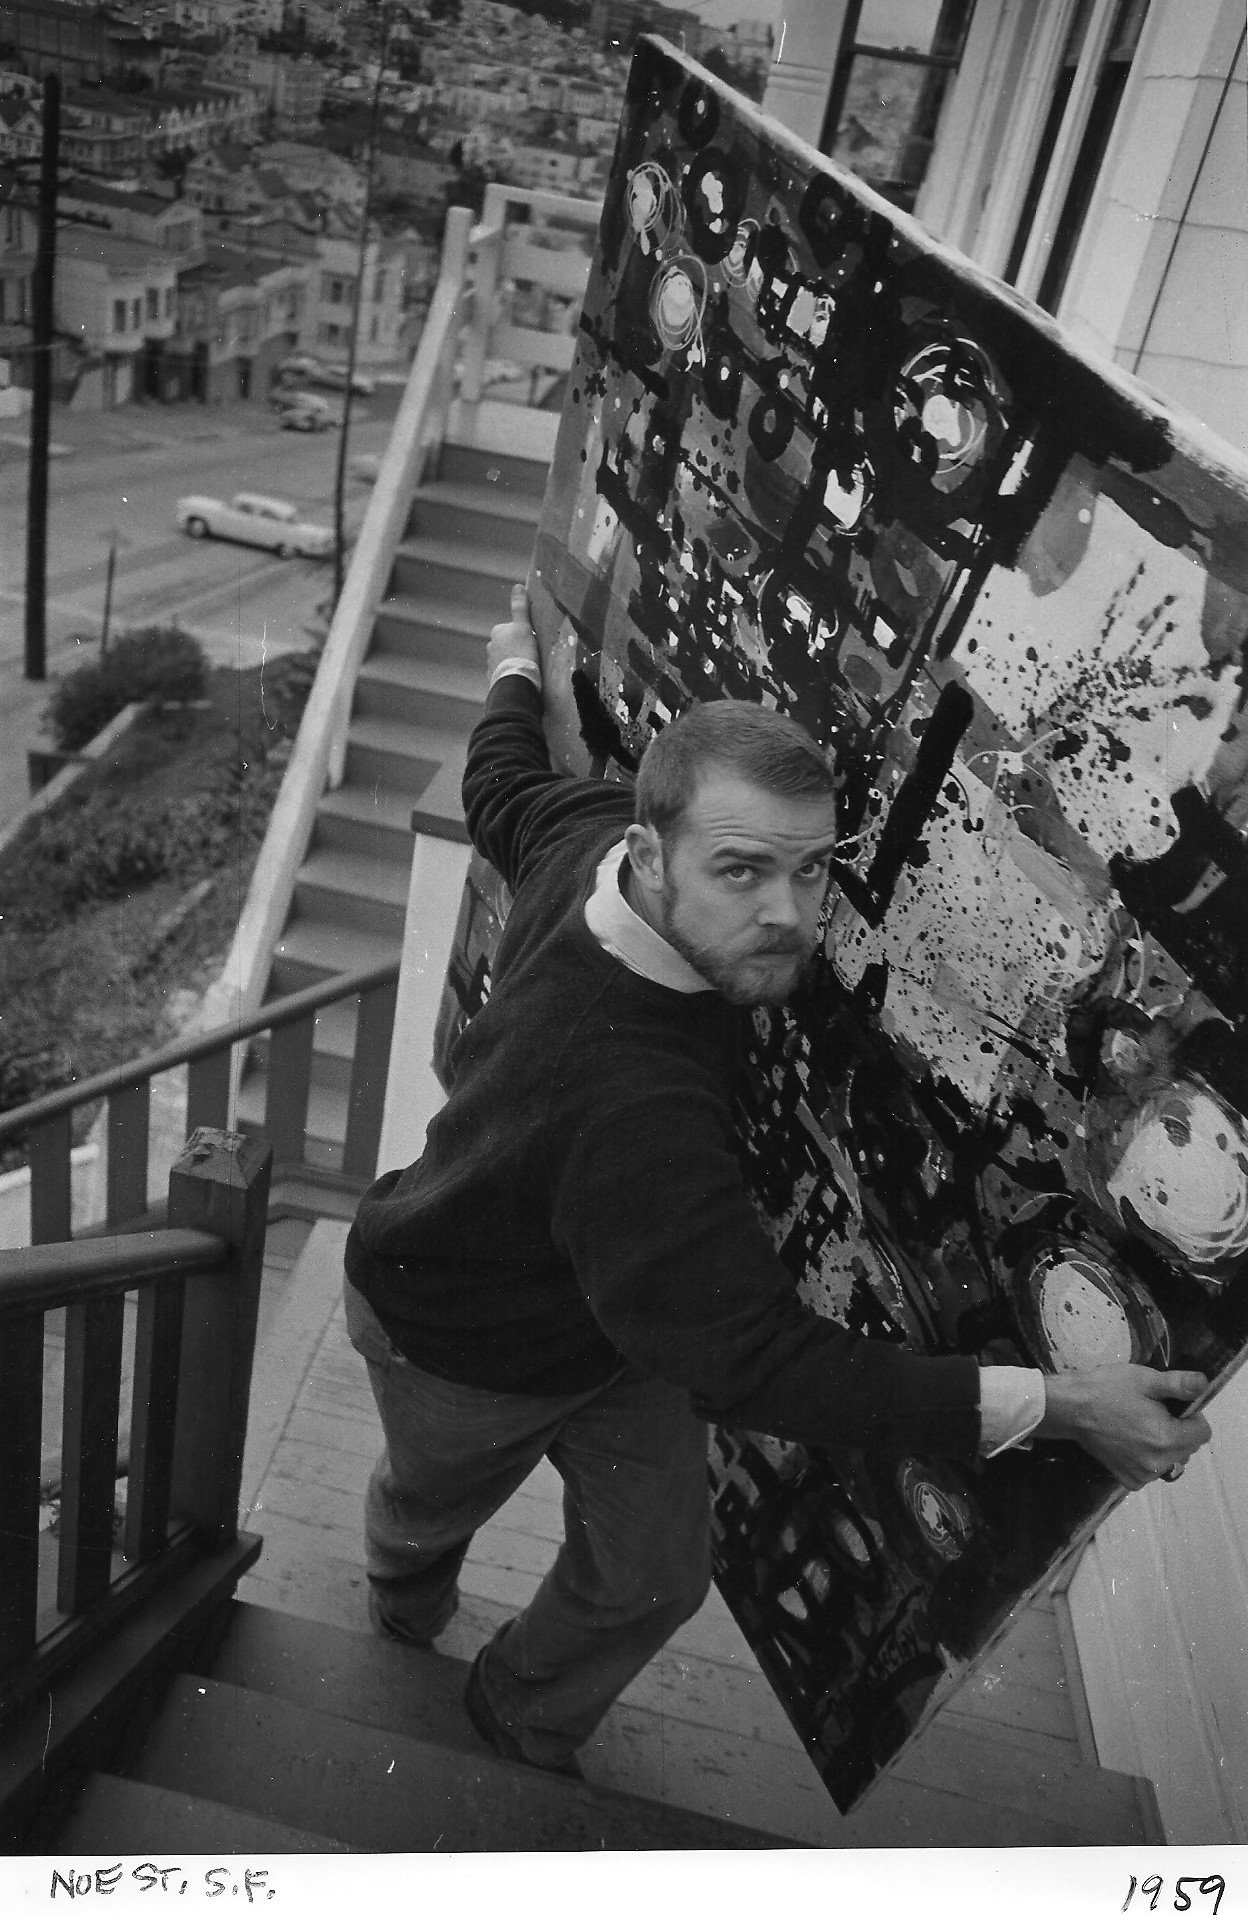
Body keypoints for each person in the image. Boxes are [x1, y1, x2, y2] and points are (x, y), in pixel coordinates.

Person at [343, 583, 1212, 1778]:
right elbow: (766, 1363)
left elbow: (502, 779)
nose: (792, 917)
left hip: (617, 1318)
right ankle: (401, 1599)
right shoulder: (631, 1107)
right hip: (450, 1329)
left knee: (653, 1574)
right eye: (744, 871)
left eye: (813, 872)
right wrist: (1066, 1405)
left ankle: (517, 1718)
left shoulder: (585, 827)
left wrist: (512, 664)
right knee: (426, 1510)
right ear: (650, 856)